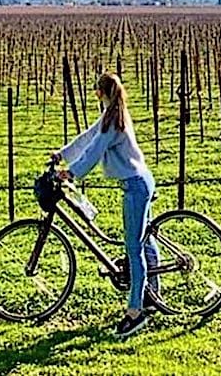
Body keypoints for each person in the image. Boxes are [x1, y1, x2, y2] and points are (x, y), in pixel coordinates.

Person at [51, 72, 159, 338]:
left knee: (134, 249)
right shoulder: (113, 114)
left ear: (100, 93)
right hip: (140, 180)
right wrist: (62, 155)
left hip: (135, 186)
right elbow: (88, 137)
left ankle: (136, 313)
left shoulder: (113, 122)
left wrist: (71, 173)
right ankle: (152, 292)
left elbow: (95, 149)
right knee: (145, 242)